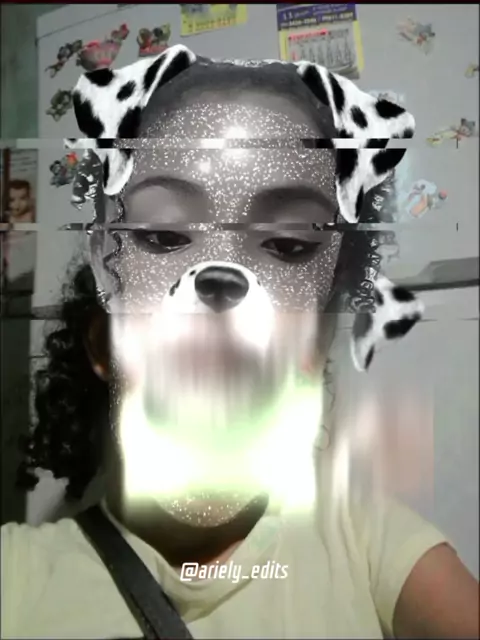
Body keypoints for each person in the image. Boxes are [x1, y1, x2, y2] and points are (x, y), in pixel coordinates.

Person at [2, 45, 479, 639]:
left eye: (288, 245)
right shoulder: (17, 575)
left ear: (315, 346)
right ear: (103, 344)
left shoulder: (368, 542)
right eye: (163, 235)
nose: (222, 280)